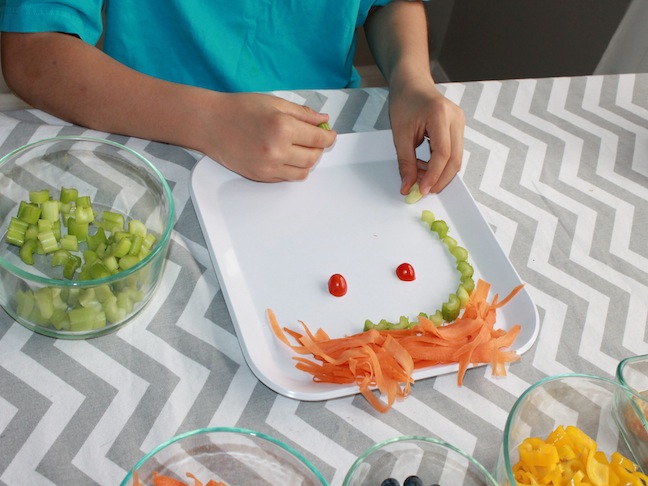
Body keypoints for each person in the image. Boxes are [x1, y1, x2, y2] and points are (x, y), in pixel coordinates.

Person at [0, 0, 464, 196]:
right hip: (151, 131)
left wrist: (412, 79)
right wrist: (210, 121)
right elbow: (33, 50)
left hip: (321, 143)